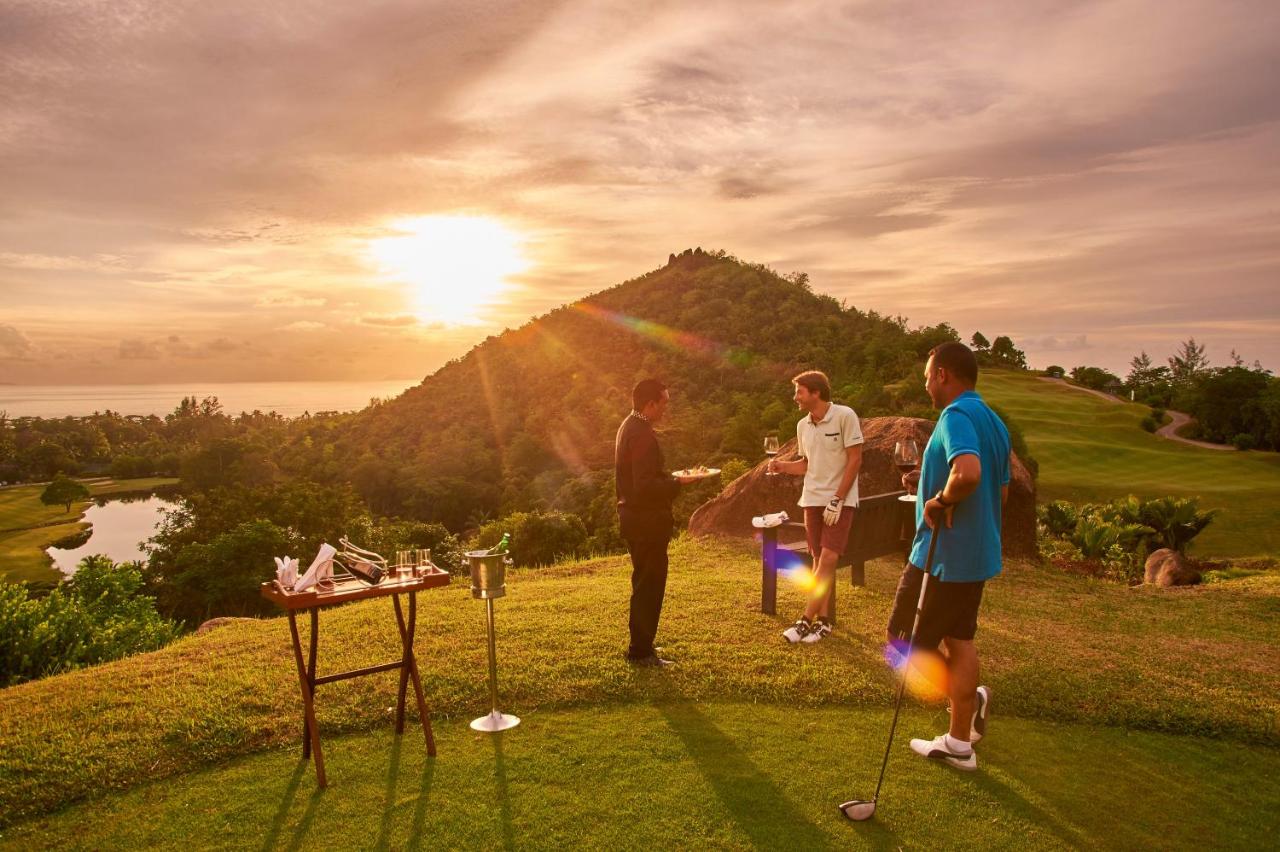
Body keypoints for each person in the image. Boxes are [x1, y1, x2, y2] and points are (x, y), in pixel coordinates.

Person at [890, 341, 1010, 771]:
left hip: (942, 556)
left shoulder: (955, 415)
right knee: (959, 639)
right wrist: (928, 483)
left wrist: (938, 501)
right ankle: (961, 738)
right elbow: (1002, 490)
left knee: (902, 641)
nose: (925, 384)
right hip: (976, 554)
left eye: (927, 376)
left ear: (943, 374)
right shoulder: (993, 420)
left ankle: (965, 703)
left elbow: (970, 473)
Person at [768, 370, 864, 644]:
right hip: (811, 499)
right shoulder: (802, 425)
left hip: (839, 501)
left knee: (829, 558)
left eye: (799, 391)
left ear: (816, 392)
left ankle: (804, 620)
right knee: (817, 559)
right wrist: (782, 466)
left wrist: (837, 498)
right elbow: (806, 464)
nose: (795, 397)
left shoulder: (845, 416)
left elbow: (855, 460)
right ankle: (823, 623)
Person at [615, 379, 700, 667]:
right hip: (646, 522)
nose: (666, 408)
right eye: (663, 403)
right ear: (650, 404)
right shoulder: (642, 435)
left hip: (634, 519)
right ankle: (640, 651)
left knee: (643, 582)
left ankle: (642, 642)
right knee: (649, 585)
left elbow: (645, 478)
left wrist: (672, 478)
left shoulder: (629, 425)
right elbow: (644, 487)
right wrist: (679, 483)